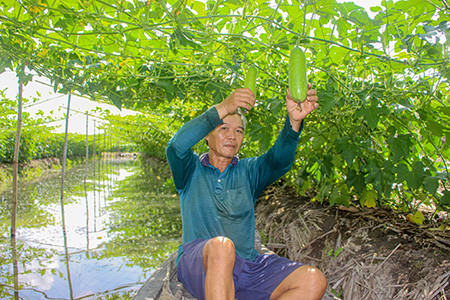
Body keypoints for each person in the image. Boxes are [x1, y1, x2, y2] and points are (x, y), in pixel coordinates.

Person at [166, 84, 327, 300]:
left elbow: (278, 161)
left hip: (247, 265)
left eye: (238, 131)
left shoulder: (249, 171)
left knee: (313, 279)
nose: (232, 136)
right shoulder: (190, 169)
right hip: (201, 263)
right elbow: (176, 147)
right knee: (222, 247)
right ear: (207, 136)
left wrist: (294, 122)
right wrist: (224, 106)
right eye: (224, 128)